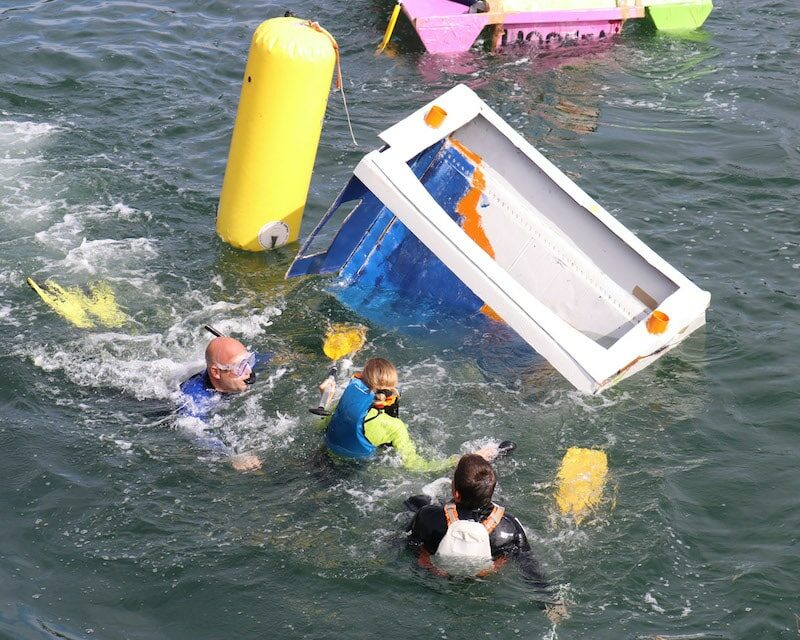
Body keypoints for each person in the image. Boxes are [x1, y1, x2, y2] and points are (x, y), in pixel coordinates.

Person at [406, 454, 567, 622]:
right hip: (484, 577)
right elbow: (528, 565)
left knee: (415, 501)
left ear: (456, 492)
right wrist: (548, 598)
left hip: (436, 578)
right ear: (491, 491)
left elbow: (408, 542)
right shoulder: (509, 528)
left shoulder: (427, 517)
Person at [320, 358, 495, 473]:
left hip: (322, 457)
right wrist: (459, 460)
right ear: (390, 392)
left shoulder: (344, 401)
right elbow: (415, 465)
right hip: (352, 471)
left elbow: (321, 427)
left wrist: (326, 396)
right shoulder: (393, 426)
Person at [179, 335, 263, 472]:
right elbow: (193, 431)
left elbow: (263, 357)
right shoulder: (195, 398)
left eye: (249, 362)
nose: (249, 371)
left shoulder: (242, 370)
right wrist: (231, 456)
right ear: (215, 372)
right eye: (240, 367)